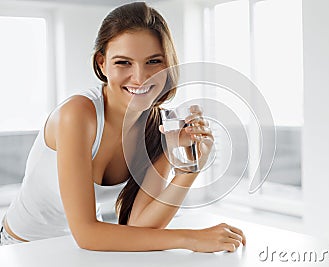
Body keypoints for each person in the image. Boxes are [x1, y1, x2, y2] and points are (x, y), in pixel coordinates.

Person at [0, 2, 246, 252]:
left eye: (153, 61)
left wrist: (189, 169)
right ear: (102, 63)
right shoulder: (77, 115)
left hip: (78, 251)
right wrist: (191, 239)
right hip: (19, 249)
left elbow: (141, 226)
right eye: (123, 63)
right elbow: (87, 233)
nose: (140, 77)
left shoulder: (159, 127)